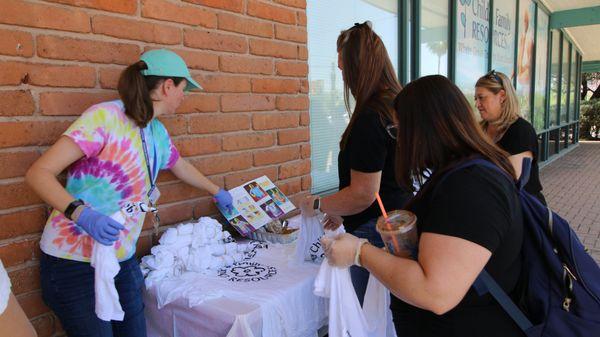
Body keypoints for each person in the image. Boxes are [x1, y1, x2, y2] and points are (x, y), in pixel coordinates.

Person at [25, 49, 233, 337]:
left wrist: (216, 190)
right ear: (167, 86)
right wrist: (82, 214)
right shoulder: (104, 117)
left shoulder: (157, 131)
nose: (184, 97)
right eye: (184, 89)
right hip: (74, 264)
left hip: (121, 259)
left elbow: (180, 166)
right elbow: (38, 173)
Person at [322, 75, 525, 337]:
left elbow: (435, 292)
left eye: (399, 130)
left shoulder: (473, 185)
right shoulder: (459, 172)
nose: (399, 142)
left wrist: (360, 253)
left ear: (424, 128)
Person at [299, 21, 412, 304]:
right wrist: (340, 208)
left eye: (342, 65)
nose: (341, 72)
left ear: (356, 66)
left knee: (366, 314)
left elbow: (363, 193)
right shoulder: (397, 105)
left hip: (372, 234)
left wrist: (316, 205)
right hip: (398, 225)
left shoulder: (370, 116)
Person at [475, 70, 546, 204]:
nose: (477, 104)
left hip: (521, 211)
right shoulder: (479, 129)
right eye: (476, 99)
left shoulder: (521, 130)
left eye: (481, 97)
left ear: (502, 96)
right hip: (490, 207)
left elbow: (511, 181)